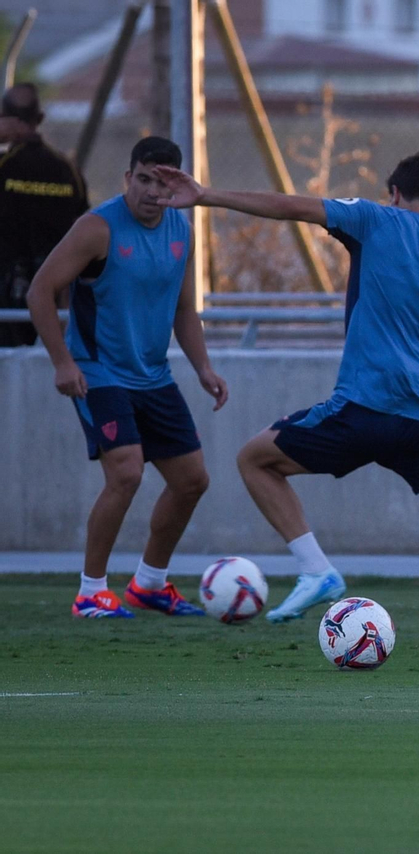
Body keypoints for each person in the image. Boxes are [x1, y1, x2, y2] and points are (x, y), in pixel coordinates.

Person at [152, 153, 419, 623]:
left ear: (394, 194)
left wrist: (206, 195)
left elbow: (291, 205)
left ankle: (316, 571)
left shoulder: (373, 219)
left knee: (254, 460)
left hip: (362, 413)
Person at [26, 136, 227, 618]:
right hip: (98, 372)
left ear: (177, 185)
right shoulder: (97, 228)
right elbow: (39, 291)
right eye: (143, 179)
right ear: (127, 178)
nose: (152, 191)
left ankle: (149, 584)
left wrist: (203, 367)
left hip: (153, 376)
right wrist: (63, 362)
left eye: (163, 183)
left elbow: (184, 309)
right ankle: (90, 592)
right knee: (126, 473)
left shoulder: (181, 231)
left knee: (192, 481)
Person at [1, 83, 89, 347]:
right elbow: (82, 222)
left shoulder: (5, 165)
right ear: (39, 118)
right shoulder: (66, 168)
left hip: (7, 281)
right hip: (56, 285)